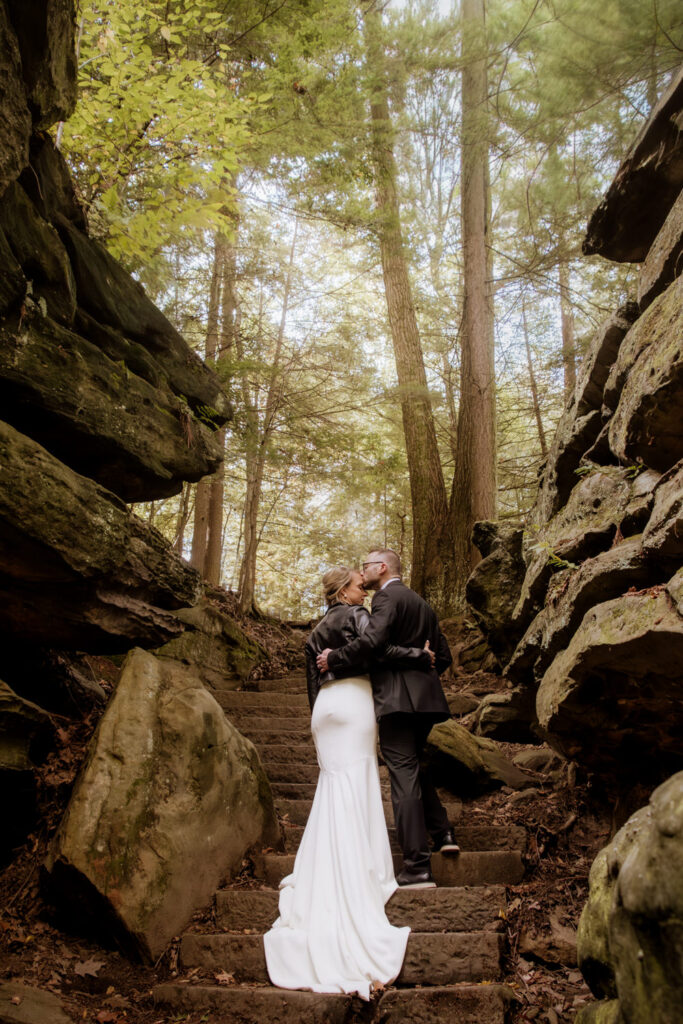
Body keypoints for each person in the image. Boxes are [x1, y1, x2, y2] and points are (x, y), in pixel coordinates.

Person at [264, 566, 432, 1000]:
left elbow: (310, 687)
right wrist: (418, 656)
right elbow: (377, 650)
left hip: (326, 709)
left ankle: (330, 865)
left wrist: (318, 721)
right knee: (356, 785)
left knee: (332, 787)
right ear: (343, 591)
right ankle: (361, 869)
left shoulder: (315, 630)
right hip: (354, 701)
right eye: (360, 585)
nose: (365, 591)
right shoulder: (355, 615)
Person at [316, 548, 459, 890]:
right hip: (426, 703)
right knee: (412, 765)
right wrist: (422, 664)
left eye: (366, 567)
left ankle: (417, 866)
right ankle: (442, 832)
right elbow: (444, 656)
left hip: (397, 702)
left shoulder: (384, 599)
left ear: (382, 568)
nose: (362, 575)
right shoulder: (422, 603)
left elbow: (374, 644)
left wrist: (335, 658)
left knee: (402, 776)